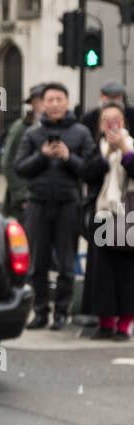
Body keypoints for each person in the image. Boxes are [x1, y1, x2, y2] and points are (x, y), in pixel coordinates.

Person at [14, 82, 96, 330]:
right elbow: (20, 167)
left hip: (68, 204)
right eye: (50, 99)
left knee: (66, 262)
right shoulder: (32, 134)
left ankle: (61, 312)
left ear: (67, 103)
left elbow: (90, 170)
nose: (55, 104)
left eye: (59, 99)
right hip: (38, 203)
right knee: (37, 263)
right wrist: (43, 155)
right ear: (44, 103)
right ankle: (40, 312)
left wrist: (68, 157)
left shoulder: (81, 133)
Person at [80, 103, 134, 339]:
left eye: (117, 119)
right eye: (107, 120)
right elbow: (87, 174)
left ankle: (124, 325)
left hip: (129, 216)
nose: (112, 124)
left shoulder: (131, 145)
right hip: (103, 216)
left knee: (127, 272)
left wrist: (125, 152)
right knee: (101, 272)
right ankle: (105, 323)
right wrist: (107, 155)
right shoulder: (96, 149)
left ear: (123, 123)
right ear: (101, 125)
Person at [0, 84, 45, 219]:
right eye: (38, 101)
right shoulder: (21, 128)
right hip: (26, 198)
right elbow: (7, 162)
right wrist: (21, 196)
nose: (42, 105)